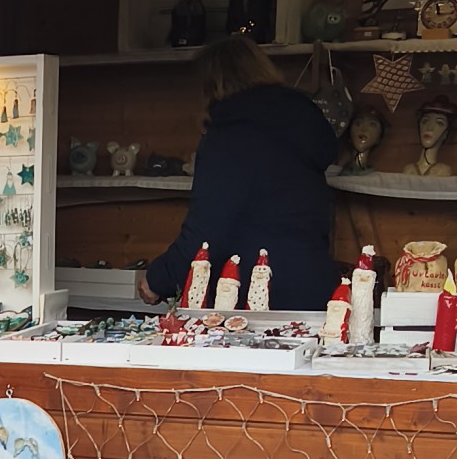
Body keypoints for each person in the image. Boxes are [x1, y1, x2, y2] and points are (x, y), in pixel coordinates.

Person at [137, 37, 341, 308]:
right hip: (316, 289)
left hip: (256, 297)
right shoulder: (300, 124)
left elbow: (207, 232)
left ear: (212, 86)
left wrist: (159, 278)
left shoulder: (230, 137)